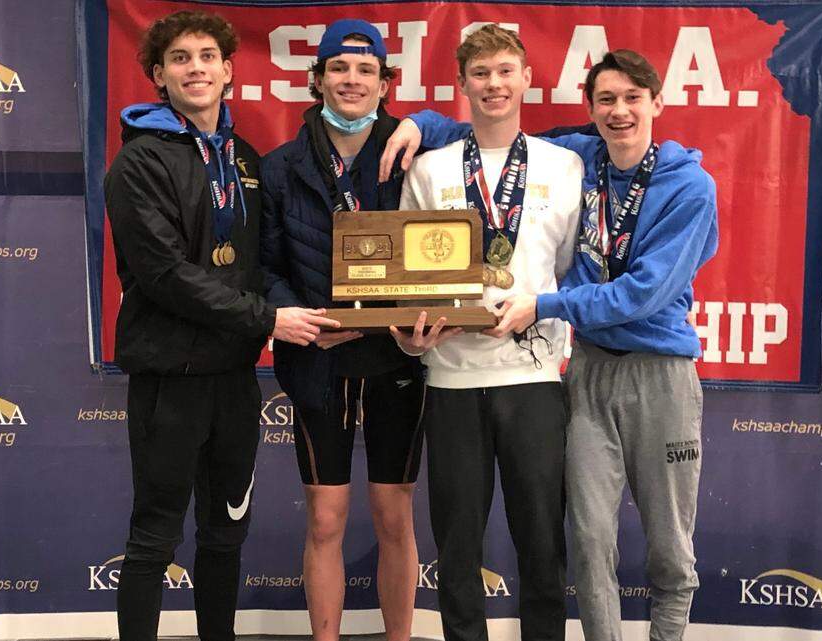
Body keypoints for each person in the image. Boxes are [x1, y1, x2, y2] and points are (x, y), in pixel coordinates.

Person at [383, 50, 718, 641]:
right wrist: (419, 123)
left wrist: (541, 305)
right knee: (587, 542)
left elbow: (641, 291)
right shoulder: (580, 155)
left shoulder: (683, 184)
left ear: (658, 103)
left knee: (663, 546)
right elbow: (488, 126)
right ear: (590, 112)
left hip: (645, 371)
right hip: (579, 371)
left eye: (633, 98)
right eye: (606, 101)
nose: (619, 112)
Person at [103, 10, 334, 641]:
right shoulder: (140, 163)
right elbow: (165, 275)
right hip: (169, 378)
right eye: (180, 58)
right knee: (154, 537)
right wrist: (268, 319)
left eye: (208, 56)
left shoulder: (245, 158)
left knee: (226, 532)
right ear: (158, 75)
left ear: (229, 70)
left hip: (233, 379)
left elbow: (261, 263)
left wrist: (325, 314)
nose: (196, 68)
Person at [391, 24, 582, 641]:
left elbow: (579, 274)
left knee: (542, 543)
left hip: (534, 381)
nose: (494, 84)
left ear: (527, 78)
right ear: (462, 85)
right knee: (456, 546)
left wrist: (542, 308)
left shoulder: (567, 165)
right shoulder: (430, 169)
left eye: (505, 71)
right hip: (451, 382)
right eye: (481, 73)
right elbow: (404, 284)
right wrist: (407, 338)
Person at [259, 19, 424, 641]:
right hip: (317, 361)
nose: (351, 80)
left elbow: (440, 257)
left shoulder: (415, 155)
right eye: (338, 68)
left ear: (385, 83)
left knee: (393, 515)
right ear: (317, 79)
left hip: (397, 360)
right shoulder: (280, 168)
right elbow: (266, 269)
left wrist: (417, 327)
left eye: (365, 70)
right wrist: (297, 322)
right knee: (326, 520)